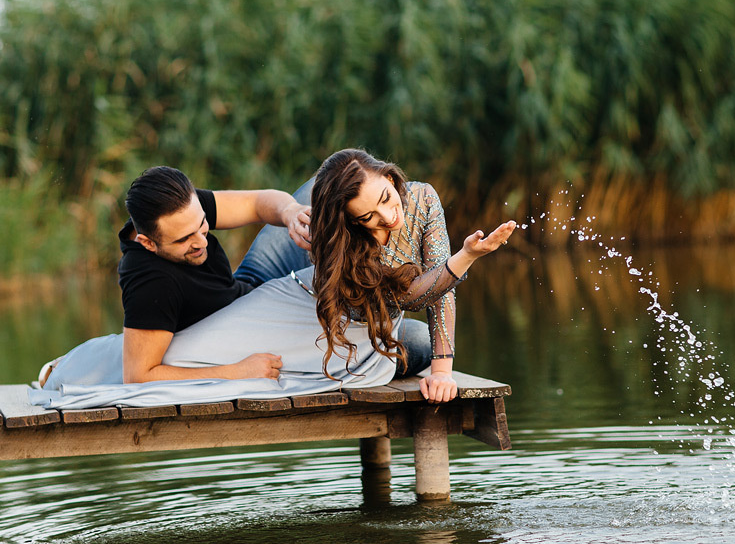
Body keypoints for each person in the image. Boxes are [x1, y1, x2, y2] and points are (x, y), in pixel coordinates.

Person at [31, 153, 512, 410]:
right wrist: (238, 369)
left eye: (204, 225)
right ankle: (344, 268)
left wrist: (289, 214)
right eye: (187, 240)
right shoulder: (146, 279)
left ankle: (333, 240)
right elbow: (140, 375)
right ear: (149, 242)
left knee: (322, 188)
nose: (202, 239)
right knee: (415, 343)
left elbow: (261, 202)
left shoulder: (184, 211)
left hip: (248, 284)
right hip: (232, 319)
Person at [309, 149, 516, 403]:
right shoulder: (346, 241)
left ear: (390, 179)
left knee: (420, 343)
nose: (387, 217)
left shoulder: (423, 198)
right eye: (367, 217)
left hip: (383, 331)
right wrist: (466, 256)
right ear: (353, 221)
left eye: (385, 198)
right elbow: (407, 299)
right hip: (337, 330)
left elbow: (440, 287)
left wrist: (441, 372)